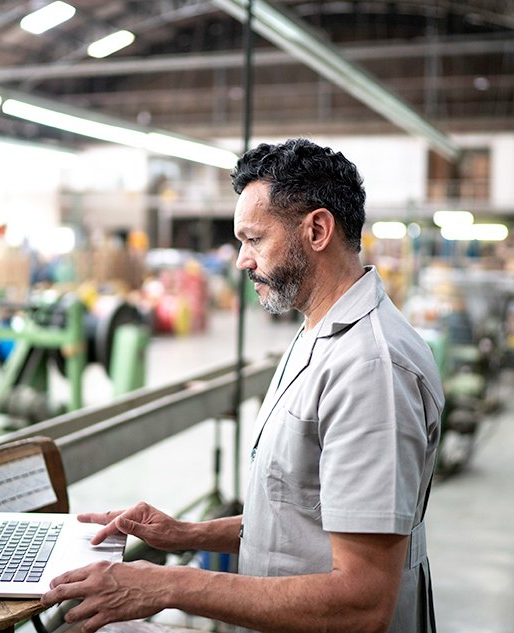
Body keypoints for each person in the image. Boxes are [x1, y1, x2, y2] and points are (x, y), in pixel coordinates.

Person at [41, 139, 444, 633]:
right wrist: (186, 533)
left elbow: (363, 601)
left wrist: (169, 586)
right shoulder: (319, 330)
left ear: (317, 229)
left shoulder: (371, 368)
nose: (241, 261)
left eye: (254, 240)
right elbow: (301, 520)